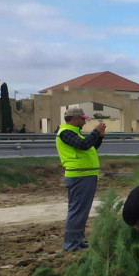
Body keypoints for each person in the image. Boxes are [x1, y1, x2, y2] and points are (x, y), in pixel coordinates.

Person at [56, 107, 105, 251]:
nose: (84, 121)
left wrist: (99, 136)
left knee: (82, 211)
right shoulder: (65, 132)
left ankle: (77, 240)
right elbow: (83, 145)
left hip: (85, 176)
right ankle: (71, 245)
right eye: (83, 119)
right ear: (75, 118)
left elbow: (90, 146)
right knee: (77, 211)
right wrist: (95, 131)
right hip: (79, 176)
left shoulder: (75, 133)